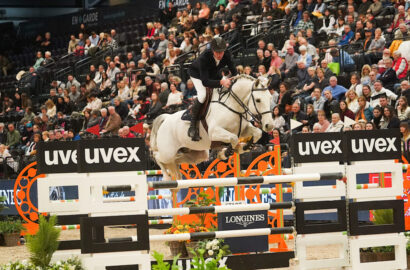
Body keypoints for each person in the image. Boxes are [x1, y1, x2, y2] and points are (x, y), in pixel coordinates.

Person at [187, 37, 237, 141]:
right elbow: (205, 82)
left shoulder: (226, 54)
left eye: (221, 52)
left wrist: (236, 78)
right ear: (212, 50)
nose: (219, 55)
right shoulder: (204, 58)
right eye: (217, 52)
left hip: (213, 73)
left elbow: (234, 71)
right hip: (197, 75)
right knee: (202, 95)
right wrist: (222, 82)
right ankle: (192, 126)